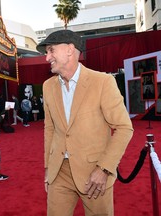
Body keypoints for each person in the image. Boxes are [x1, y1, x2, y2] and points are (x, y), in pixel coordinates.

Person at [36, 30, 133, 216]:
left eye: (51, 50)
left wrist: (104, 169)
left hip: (94, 173)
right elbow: (50, 129)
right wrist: (48, 168)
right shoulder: (48, 87)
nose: (47, 57)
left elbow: (124, 127)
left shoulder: (103, 82)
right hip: (59, 172)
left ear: (70, 50)